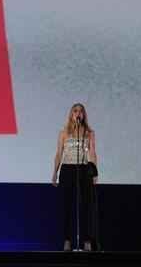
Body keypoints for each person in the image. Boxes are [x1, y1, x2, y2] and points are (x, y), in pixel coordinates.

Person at [51, 103, 99, 251]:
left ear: (84, 115)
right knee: (67, 206)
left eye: (81, 111)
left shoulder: (89, 132)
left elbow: (92, 153)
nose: (78, 113)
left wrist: (95, 172)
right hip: (67, 169)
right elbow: (59, 153)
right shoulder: (64, 133)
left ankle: (86, 240)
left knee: (85, 206)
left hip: (83, 169)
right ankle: (67, 240)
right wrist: (55, 172)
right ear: (71, 114)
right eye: (75, 111)